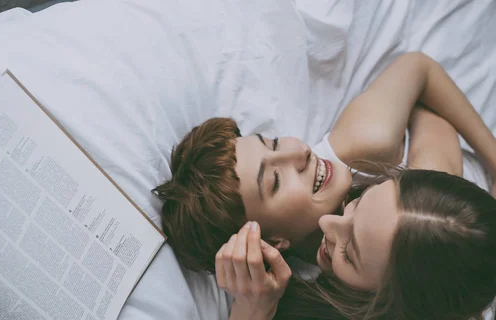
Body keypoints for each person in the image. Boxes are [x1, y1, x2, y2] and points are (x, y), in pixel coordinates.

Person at [152, 52, 496, 274]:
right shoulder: (305, 309)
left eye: (272, 142)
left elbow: (419, 68)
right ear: (271, 243)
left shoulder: (361, 147)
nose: (299, 152)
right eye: (275, 180)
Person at [202, 169, 496, 320]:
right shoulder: (441, 223)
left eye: (349, 251)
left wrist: (251, 313)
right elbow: (435, 123)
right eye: (357, 203)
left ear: (386, 307)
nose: (326, 223)